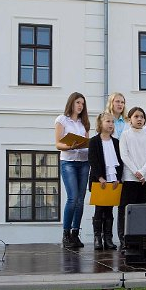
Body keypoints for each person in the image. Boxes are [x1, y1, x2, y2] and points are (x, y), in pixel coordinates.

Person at [55, 92, 90, 249]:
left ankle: (75, 233)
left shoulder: (84, 123)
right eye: (78, 102)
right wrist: (71, 146)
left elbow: (87, 142)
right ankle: (66, 234)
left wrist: (86, 145)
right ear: (71, 103)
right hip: (68, 161)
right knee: (72, 198)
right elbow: (58, 144)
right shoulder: (62, 120)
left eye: (82, 103)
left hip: (83, 162)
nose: (80, 105)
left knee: (81, 200)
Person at [118, 107, 146, 249]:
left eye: (142, 117)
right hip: (130, 178)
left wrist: (143, 171)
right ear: (129, 119)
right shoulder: (126, 135)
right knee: (126, 209)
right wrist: (136, 171)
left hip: (145, 179)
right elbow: (124, 155)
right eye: (136, 116)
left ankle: (137, 238)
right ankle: (124, 239)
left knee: (140, 209)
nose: (139, 119)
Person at [88, 112, 123, 250]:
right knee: (99, 209)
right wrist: (99, 177)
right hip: (99, 180)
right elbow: (93, 160)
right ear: (100, 124)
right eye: (108, 121)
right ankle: (97, 238)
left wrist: (118, 178)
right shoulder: (94, 141)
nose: (110, 124)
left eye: (112, 122)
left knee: (109, 210)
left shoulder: (116, 142)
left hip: (113, 180)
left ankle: (108, 238)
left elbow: (119, 162)